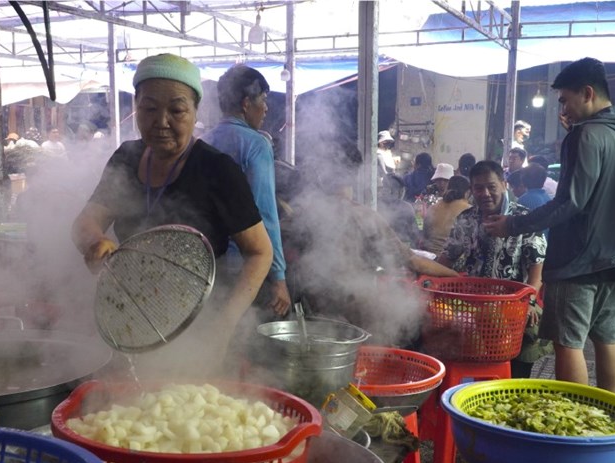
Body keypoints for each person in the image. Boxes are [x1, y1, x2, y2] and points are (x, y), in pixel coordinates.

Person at [71, 53, 273, 376]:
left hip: (200, 325)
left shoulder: (218, 170)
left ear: (195, 113)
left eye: (176, 110)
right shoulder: (126, 158)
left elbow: (260, 252)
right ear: (136, 108)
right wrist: (94, 242)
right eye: (149, 109)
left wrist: (224, 326)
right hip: (130, 317)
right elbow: (85, 222)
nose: (161, 122)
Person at [484, 57, 615, 392]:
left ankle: (577, 425)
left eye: (565, 100)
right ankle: (610, 412)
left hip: (579, 258)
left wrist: (512, 225)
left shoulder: (585, 136)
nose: (563, 109)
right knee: (608, 336)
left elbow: (569, 202)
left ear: (587, 93)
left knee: (569, 342)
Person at [282, 154, 458, 346]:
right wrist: (455, 275)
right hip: (353, 313)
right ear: (354, 177)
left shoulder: (302, 215)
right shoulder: (363, 216)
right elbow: (412, 261)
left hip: (310, 317)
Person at [436, 161, 549, 378]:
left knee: (518, 364)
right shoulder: (466, 219)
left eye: (491, 186)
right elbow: (446, 258)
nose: (485, 193)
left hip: (515, 307)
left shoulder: (523, 219)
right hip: (473, 307)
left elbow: (537, 270)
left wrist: (530, 302)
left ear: (504, 184)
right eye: (478, 188)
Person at [201, 64, 290, 319]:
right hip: (243, 265)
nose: (266, 108)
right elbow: (264, 216)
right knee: (243, 338)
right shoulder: (256, 144)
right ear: (245, 103)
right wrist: (279, 277)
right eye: (263, 99)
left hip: (206, 263)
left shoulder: (203, 142)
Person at [420, 175, 471, 255]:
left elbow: (424, 236)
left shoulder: (433, 207)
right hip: (448, 261)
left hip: (428, 258)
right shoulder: (468, 210)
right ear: (467, 193)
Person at [377, 173, 420, 247]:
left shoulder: (374, 205)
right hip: (402, 249)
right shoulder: (407, 207)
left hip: (382, 248)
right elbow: (415, 233)